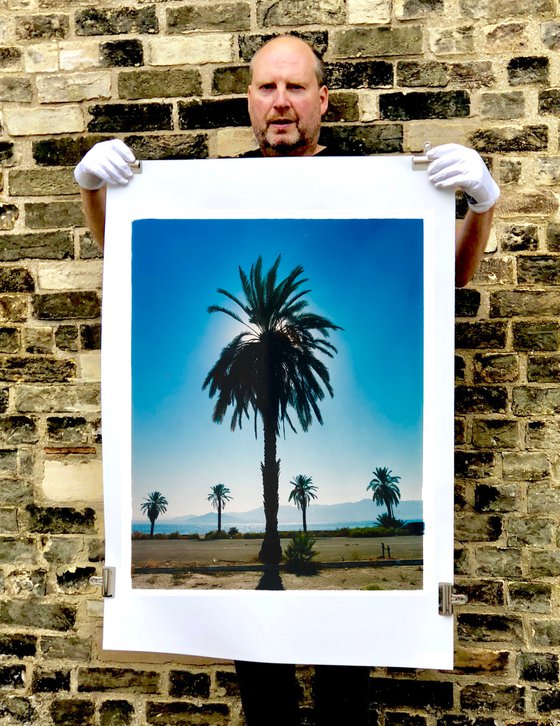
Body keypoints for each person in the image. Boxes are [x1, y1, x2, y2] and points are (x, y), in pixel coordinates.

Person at [75, 34, 500, 726]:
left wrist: (481, 202)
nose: (280, 103)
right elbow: (118, 252)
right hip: (255, 590)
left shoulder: (380, 185)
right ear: (249, 99)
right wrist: (96, 193)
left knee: (344, 697)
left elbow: (449, 276)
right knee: (264, 698)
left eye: (296, 88)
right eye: (267, 88)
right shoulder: (212, 190)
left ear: (322, 100)